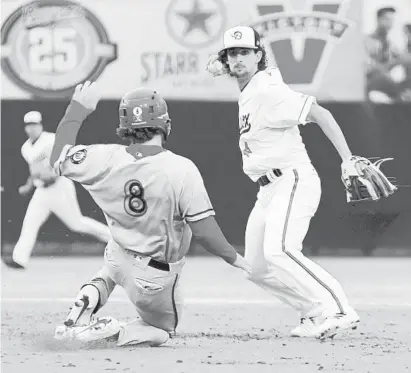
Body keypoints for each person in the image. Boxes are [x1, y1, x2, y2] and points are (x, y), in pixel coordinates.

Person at [50, 82, 250, 346]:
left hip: (117, 253)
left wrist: (78, 109)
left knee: (110, 271)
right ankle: (111, 332)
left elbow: (57, 158)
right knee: (162, 331)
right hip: (153, 277)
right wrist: (238, 260)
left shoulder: (104, 156)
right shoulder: (181, 169)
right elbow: (204, 230)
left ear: (125, 126)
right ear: (165, 123)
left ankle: (85, 303)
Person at [205, 26, 362, 340]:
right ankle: (314, 312)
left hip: (292, 178)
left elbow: (321, 114)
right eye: (232, 53)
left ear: (258, 56)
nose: (237, 59)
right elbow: (232, 66)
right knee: (258, 268)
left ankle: (340, 309)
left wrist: (347, 158)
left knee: (281, 250)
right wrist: (222, 65)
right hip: (267, 189)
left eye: (244, 52)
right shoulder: (249, 88)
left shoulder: (267, 90)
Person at [2, 111, 111, 269]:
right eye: (29, 125)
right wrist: (29, 185)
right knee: (30, 222)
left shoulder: (51, 139)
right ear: (25, 128)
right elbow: (34, 170)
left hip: (60, 186)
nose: (32, 128)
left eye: (34, 124)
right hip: (42, 190)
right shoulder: (25, 148)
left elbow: (64, 160)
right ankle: (19, 259)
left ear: (40, 125)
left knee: (77, 223)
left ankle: (115, 238)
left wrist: (52, 173)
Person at [365, 7, 411, 102]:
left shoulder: (390, 44)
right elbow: (368, 66)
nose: (390, 24)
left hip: (388, 84)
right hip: (372, 84)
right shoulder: (368, 41)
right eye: (387, 19)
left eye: (392, 20)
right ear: (378, 19)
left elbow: (403, 58)